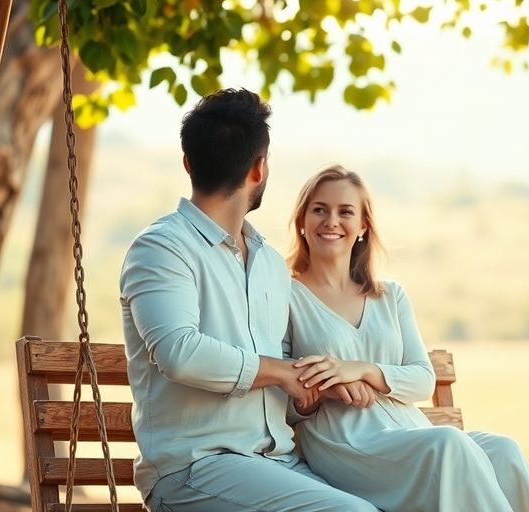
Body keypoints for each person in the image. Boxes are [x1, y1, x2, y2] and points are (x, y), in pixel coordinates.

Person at [119, 89, 377, 512]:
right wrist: (281, 372)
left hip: (275, 462)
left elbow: (284, 376)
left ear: (188, 163)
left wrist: (313, 389)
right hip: (194, 469)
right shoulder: (163, 248)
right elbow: (178, 353)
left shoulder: (270, 264)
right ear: (259, 169)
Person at [286, 165, 529, 512]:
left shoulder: (390, 296)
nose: (331, 221)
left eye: (346, 212)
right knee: (448, 444)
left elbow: (421, 380)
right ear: (302, 219)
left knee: (502, 450)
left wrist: (361, 370)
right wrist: (321, 390)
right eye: (319, 209)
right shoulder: (286, 295)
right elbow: (280, 395)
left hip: (407, 431)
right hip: (346, 444)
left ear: (363, 226)